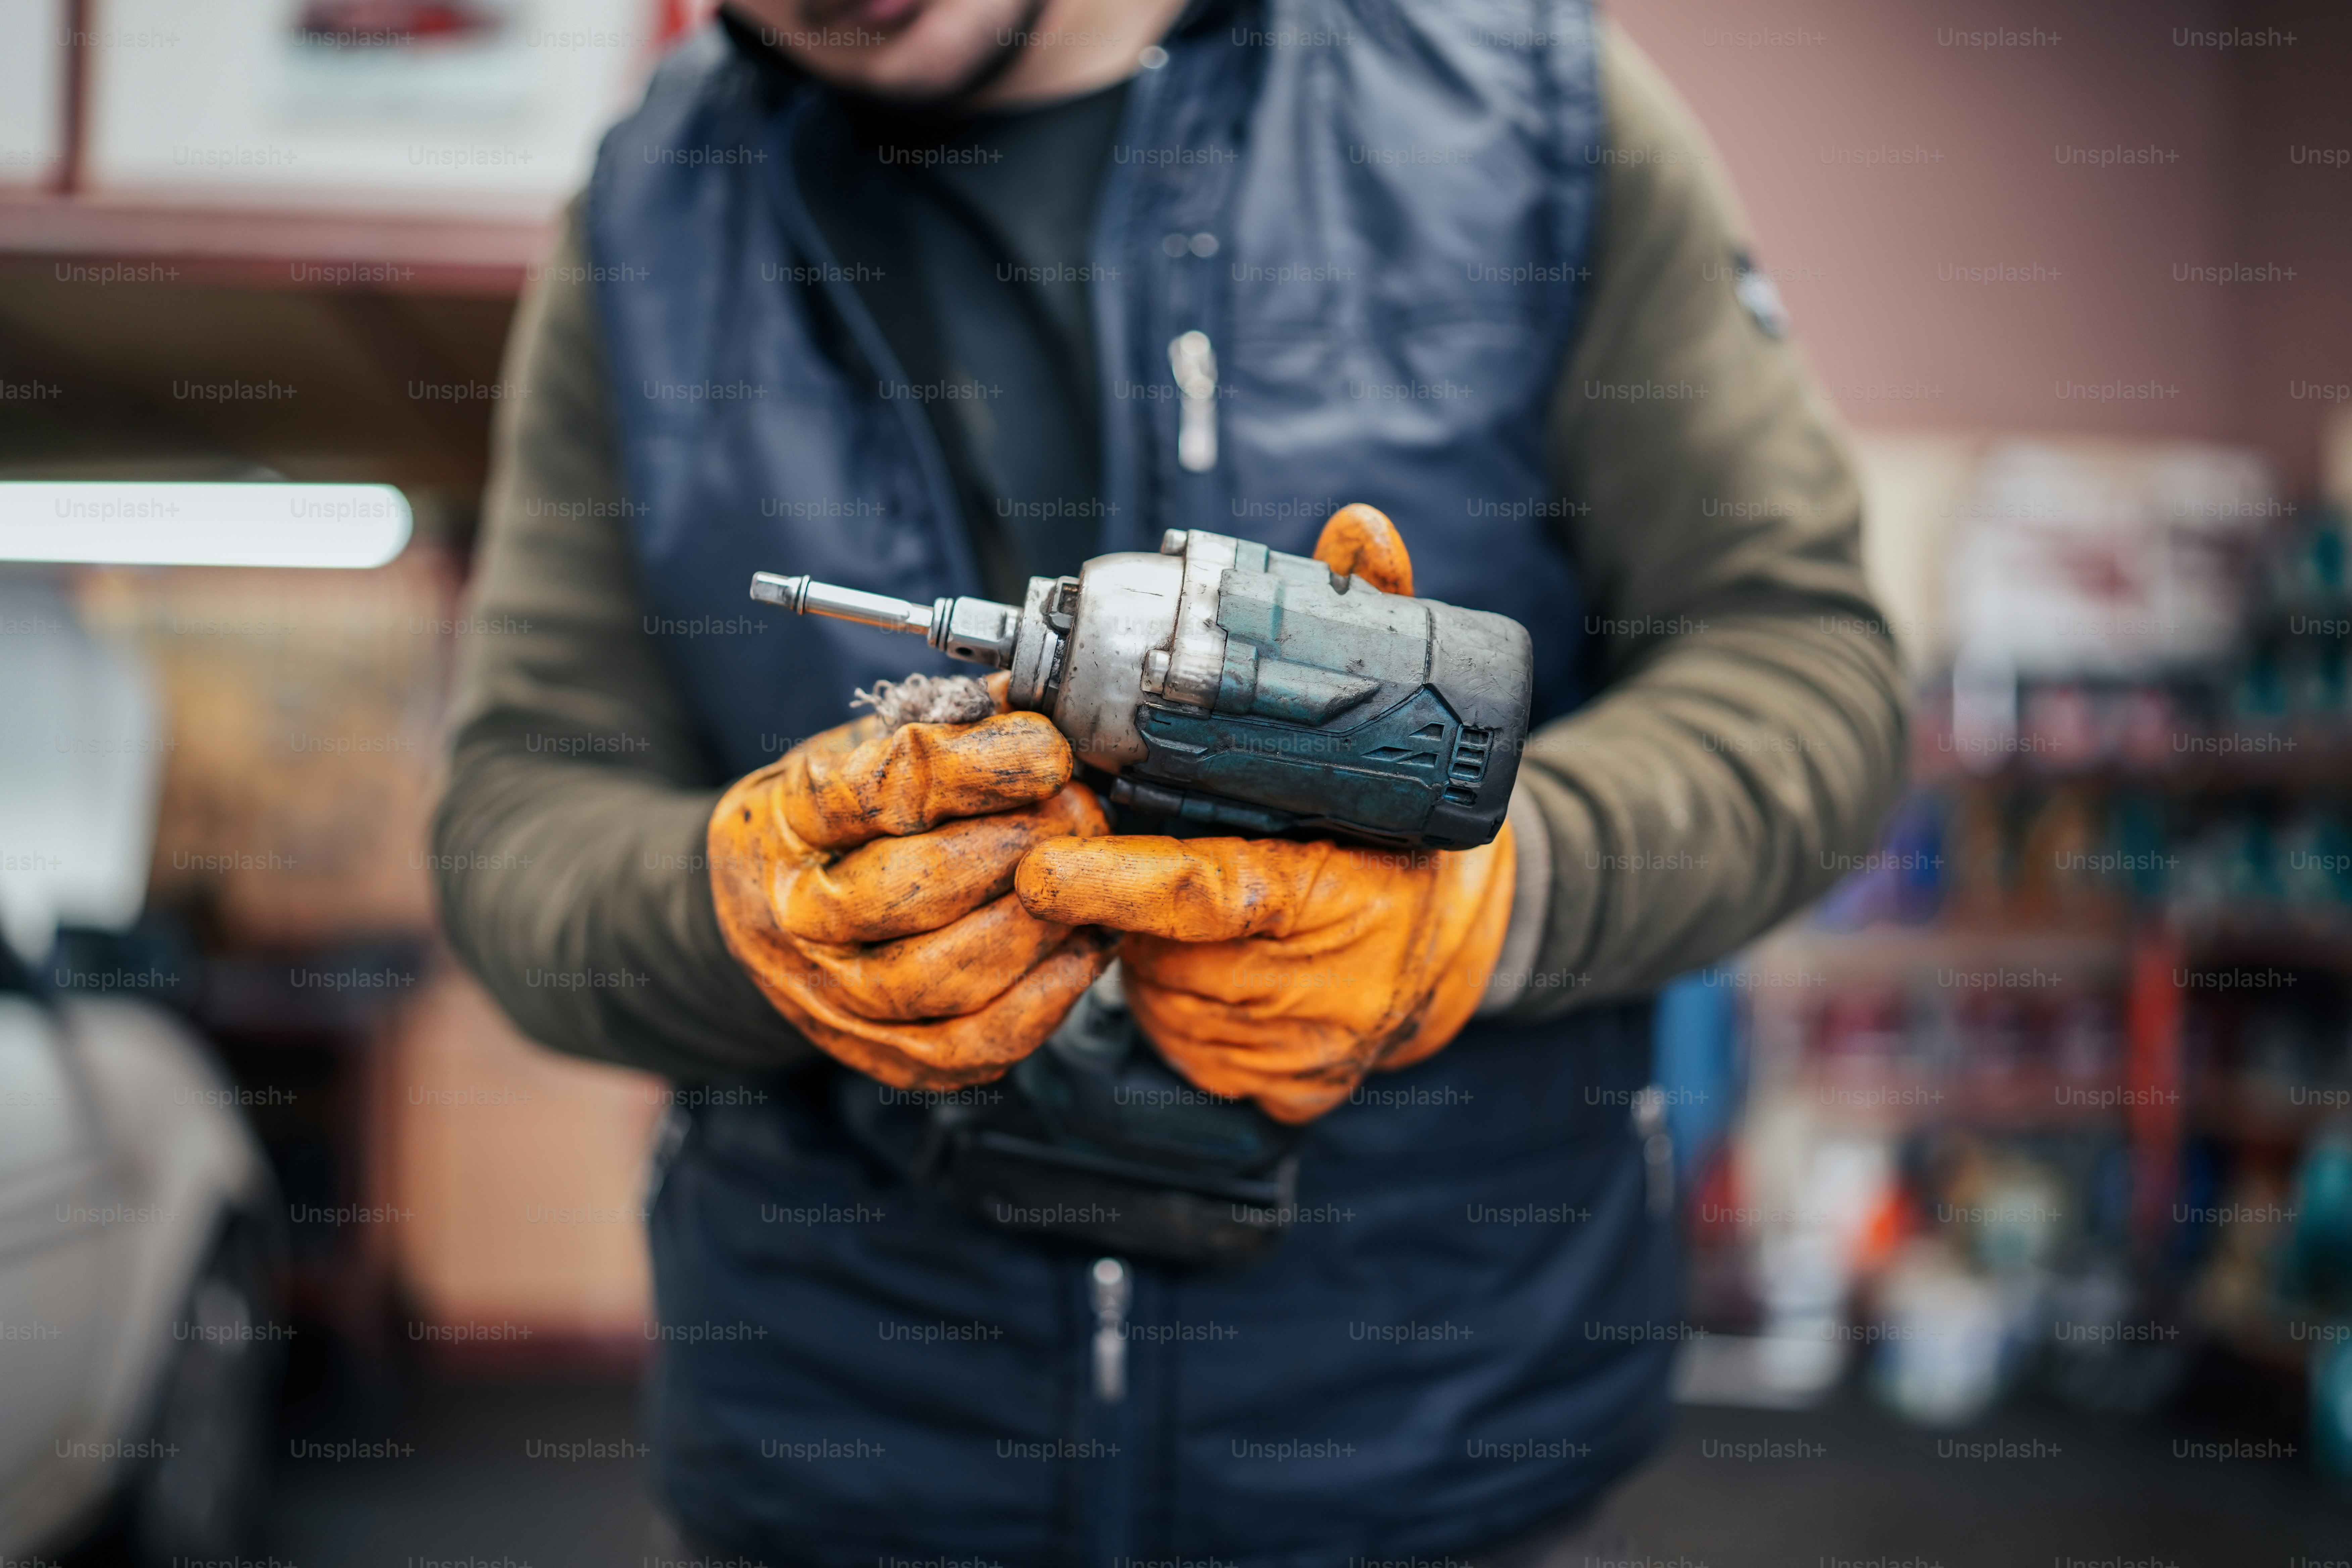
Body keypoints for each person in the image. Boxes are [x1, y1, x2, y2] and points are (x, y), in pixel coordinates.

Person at [430, 0, 1906, 1561]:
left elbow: (1813, 674)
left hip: (1428, 1451)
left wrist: (1501, 896)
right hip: (847, 1461)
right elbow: (518, 814)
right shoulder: (650, 215)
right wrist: (742, 917)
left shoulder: (1525, 111)